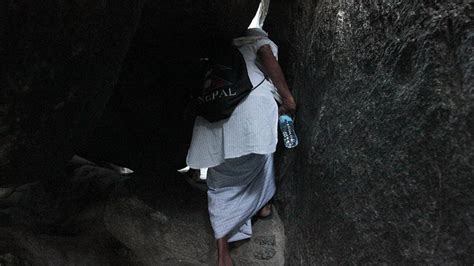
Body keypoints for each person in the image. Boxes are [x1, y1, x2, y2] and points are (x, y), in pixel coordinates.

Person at [186, 27, 296, 265]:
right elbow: (268, 59)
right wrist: (287, 98)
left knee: (219, 181)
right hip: (250, 110)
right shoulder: (258, 40)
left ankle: (222, 252)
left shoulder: (222, 53)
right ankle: (262, 206)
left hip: (215, 111)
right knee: (261, 159)